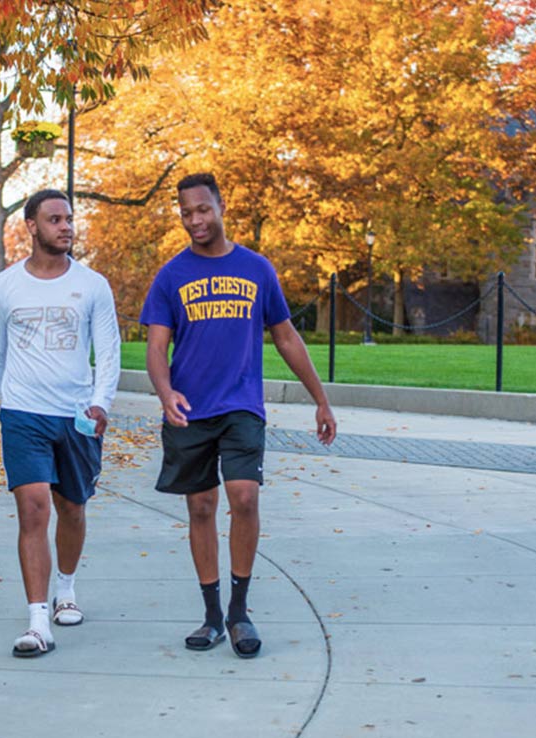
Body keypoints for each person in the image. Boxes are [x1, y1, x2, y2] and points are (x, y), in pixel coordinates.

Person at [140, 172, 336, 659]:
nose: (195, 220)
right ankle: (211, 616)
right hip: (190, 408)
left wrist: (321, 399)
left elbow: (286, 336)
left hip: (241, 405)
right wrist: (165, 393)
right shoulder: (171, 275)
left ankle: (239, 611)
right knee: (201, 507)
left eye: (202, 209)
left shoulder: (256, 269)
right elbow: (156, 347)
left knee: (244, 498)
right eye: (186, 213)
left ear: (221, 207)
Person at [0, 189, 120, 658]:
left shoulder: (93, 285)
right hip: (22, 413)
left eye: (69, 219)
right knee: (33, 508)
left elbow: (109, 351)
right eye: (55, 219)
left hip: (76, 416)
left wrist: (101, 404)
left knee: (72, 508)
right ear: (31, 226)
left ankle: (66, 588)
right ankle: (38, 620)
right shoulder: (5, 287)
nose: (66, 226)